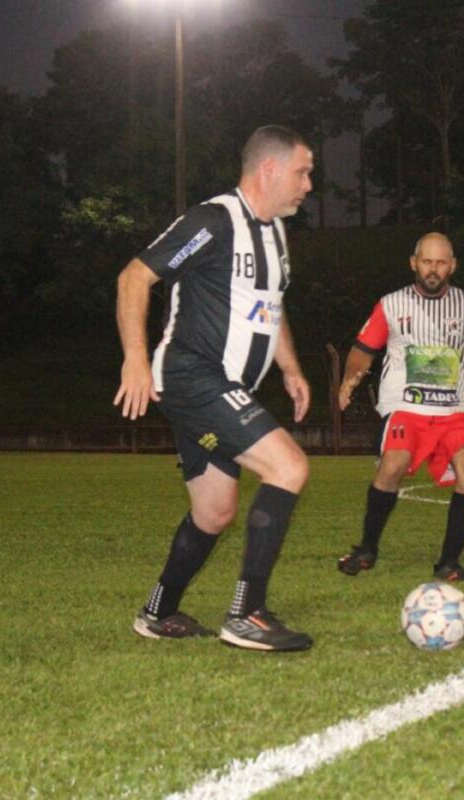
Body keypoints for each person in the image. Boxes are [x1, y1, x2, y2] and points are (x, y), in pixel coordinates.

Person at [115, 125, 315, 652]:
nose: (308, 184)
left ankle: (158, 611)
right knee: (288, 467)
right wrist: (135, 359)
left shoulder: (275, 232)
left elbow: (271, 308)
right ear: (269, 169)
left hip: (223, 386)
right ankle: (247, 614)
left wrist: (291, 368)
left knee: (214, 511)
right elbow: (134, 277)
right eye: (302, 172)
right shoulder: (213, 220)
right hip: (194, 377)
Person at [336, 233, 464, 582]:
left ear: (453, 266)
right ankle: (367, 548)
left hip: (454, 409)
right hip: (405, 406)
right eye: (427, 262)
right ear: (414, 263)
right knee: (393, 463)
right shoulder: (391, 305)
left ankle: (449, 562)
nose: (433, 269)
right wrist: (350, 377)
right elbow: (362, 349)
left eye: (441, 262)